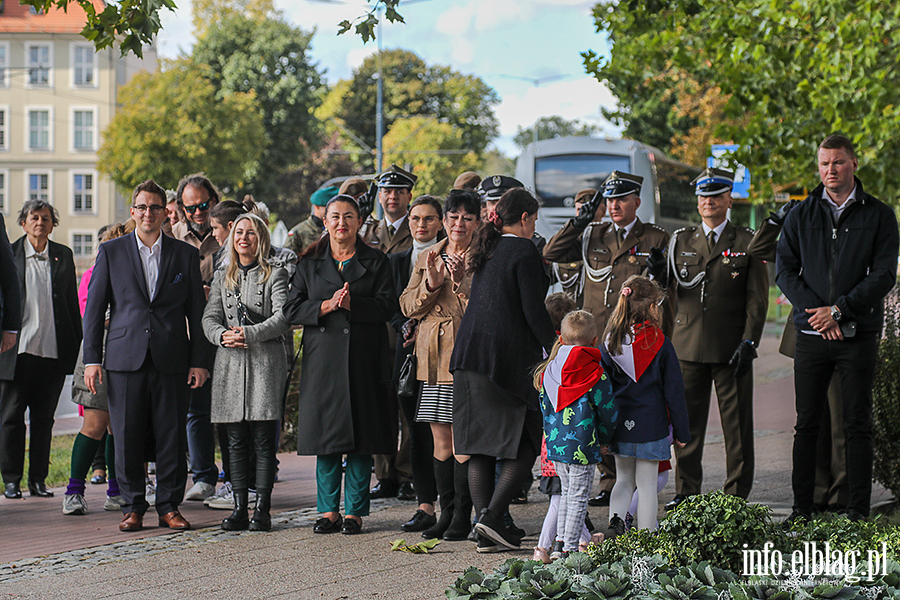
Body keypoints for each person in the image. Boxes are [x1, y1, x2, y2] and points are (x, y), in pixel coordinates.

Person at [776, 134, 899, 523]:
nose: (831, 170)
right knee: (807, 424)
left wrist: (840, 311)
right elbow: (784, 271)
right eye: (825, 163)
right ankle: (801, 509)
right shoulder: (800, 215)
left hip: (857, 335)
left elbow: (882, 277)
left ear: (854, 164)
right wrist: (819, 312)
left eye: (838, 162)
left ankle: (857, 511)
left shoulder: (879, 215)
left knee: (857, 424)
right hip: (812, 336)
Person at [83, 179, 209, 532]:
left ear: (165, 213)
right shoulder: (113, 251)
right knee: (126, 436)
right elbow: (94, 310)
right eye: (142, 207)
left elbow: (195, 313)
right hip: (124, 359)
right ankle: (133, 506)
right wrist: (92, 358)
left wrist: (199, 360)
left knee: (171, 435)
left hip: (172, 357)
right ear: (133, 212)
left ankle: (170, 506)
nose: (149, 213)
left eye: (156, 207)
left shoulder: (184, 254)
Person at [543, 171, 670, 509]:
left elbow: (663, 289)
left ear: (636, 202)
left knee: (626, 405)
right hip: (594, 341)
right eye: (610, 200)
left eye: (621, 199)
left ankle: (627, 476)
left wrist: (659, 271)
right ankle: (610, 478)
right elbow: (552, 252)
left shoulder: (655, 236)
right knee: (597, 409)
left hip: (633, 342)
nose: (614, 205)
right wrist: (579, 222)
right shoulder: (592, 233)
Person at [282, 194, 397, 535]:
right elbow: (291, 310)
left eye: (349, 216)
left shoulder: (376, 261)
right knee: (327, 440)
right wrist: (326, 307)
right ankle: (328, 510)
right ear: (325, 221)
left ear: (360, 222)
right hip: (325, 361)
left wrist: (353, 306)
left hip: (365, 359)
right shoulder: (308, 262)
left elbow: (389, 307)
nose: (341, 223)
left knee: (362, 440)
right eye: (335, 216)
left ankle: (355, 513)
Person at [449, 188, 556, 552]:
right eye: (534, 219)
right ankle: (492, 517)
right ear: (525, 218)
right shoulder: (523, 249)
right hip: (503, 360)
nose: (534, 226)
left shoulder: (488, 246)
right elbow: (533, 310)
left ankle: (486, 528)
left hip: (468, 356)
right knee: (527, 438)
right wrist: (558, 346)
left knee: (479, 445)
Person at [665, 167, 768, 510]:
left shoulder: (747, 240)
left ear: (729, 200)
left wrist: (750, 341)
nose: (709, 202)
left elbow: (757, 298)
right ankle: (686, 492)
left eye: (716, 196)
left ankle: (736, 494)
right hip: (687, 346)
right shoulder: (680, 240)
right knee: (687, 427)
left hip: (731, 347)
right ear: (698, 202)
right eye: (704, 197)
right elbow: (668, 295)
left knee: (736, 426)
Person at [748, 201, 849, 512]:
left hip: (841, 329)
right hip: (807, 335)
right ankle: (817, 493)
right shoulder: (796, 237)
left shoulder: (837, 236)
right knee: (812, 422)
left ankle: (840, 496)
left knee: (841, 422)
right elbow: (759, 249)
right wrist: (778, 218)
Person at [399, 189, 481, 541]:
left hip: (465, 355)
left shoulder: (484, 256)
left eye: (467, 217)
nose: (458, 224)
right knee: (439, 437)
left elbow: (484, 311)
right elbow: (408, 306)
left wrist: (461, 281)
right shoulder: (430, 254)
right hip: (431, 357)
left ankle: (464, 514)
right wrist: (431, 283)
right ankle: (445, 513)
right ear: (444, 220)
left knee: (464, 438)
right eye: (453, 217)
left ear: (477, 222)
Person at [203, 213, 290, 531]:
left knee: (264, 442)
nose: (244, 238)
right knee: (235, 441)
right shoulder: (222, 276)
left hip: (265, 364)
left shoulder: (275, 274)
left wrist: (249, 334)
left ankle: (262, 510)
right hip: (229, 365)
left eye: (251, 233)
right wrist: (221, 335)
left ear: (261, 239)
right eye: (239, 232)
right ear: (231, 237)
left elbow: (283, 318)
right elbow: (209, 317)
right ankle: (240, 508)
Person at [0, 200, 81, 500]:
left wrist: (78, 348)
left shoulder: (64, 255)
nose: (40, 223)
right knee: (10, 418)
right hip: (17, 351)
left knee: (44, 419)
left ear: (52, 224)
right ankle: (11, 480)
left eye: (46, 218)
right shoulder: (10, 252)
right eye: (34, 218)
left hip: (52, 349)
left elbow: (72, 305)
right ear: (23, 223)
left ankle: (38, 480)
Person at [599, 275, 690, 536]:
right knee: (647, 485)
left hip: (620, 424)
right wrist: (682, 432)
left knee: (623, 480)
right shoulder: (662, 343)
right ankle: (649, 539)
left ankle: (615, 530)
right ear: (652, 308)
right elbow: (675, 392)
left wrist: (603, 432)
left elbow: (603, 394)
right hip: (653, 425)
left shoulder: (608, 342)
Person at [534, 310, 617, 559]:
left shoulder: (550, 370)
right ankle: (569, 549)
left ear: (561, 339)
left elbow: (544, 408)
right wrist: (605, 440)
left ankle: (560, 542)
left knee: (567, 494)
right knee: (578, 499)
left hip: (556, 447)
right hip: (583, 446)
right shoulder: (595, 372)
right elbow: (607, 410)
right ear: (594, 341)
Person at [64, 223, 132, 515]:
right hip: (99, 351)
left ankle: (115, 492)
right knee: (94, 424)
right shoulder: (96, 273)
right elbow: (93, 314)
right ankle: (73, 491)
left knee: (118, 427)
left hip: (127, 353)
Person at [389, 196, 444, 535]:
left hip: (441, 354)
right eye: (415, 219)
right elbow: (390, 303)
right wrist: (403, 325)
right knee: (416, 430)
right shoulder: (396, 261)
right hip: (407, 356)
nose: (421, 225)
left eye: (428, 218)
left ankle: (453, 504)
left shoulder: (449, 256)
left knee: (444, 432)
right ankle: (425, 504)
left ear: (440, 222)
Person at [363, 165, 417, 501]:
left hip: (406, 333)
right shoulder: (367, 231)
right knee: (378, 407)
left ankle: (408, 472)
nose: (392, 196)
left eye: (398, 191)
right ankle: (384, 474)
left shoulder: (417, 228)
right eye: (386, 191)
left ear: (409, 196)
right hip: (373, 332)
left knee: (407, 405)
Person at [171, 173, 222, 503]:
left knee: (230, 408)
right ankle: (203, 476)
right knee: (196, 408)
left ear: (213, 201)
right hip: (190, 333)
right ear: (181, 208)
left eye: (204, 205)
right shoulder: (172, 235)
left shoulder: (229, 231)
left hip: (227, 331)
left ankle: (235, 477)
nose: (198, 213)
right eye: (191, 208)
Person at [285, 186, 336, 256]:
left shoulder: (337, 229)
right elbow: (287, 259)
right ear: (316, 206)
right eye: (327, 208)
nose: (331, 211)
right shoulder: (299, 232)